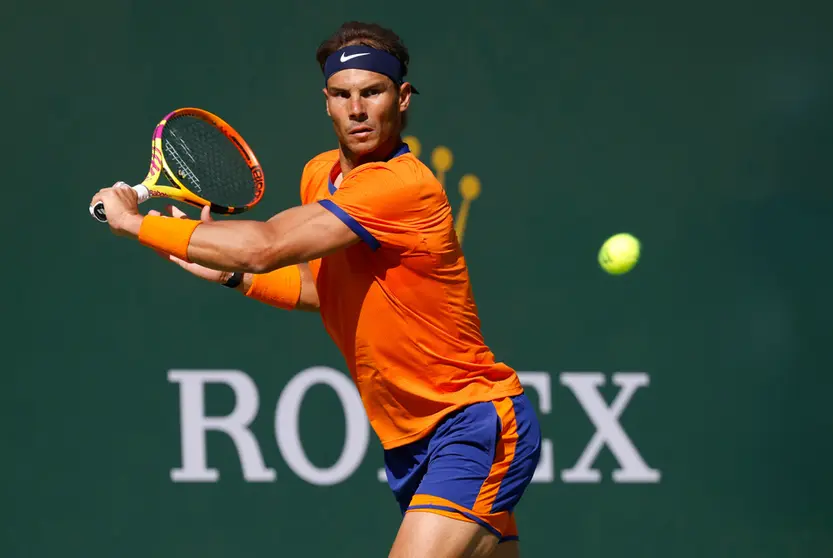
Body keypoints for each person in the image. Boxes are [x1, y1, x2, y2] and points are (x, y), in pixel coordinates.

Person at [91, 21, 541, 558]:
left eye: (372, 93)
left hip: (472, 424)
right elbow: (315, 286)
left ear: (400, 99)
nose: (357, 109)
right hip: (409, 441)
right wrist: (235, 275)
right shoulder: (319, 175)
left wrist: (136, 224)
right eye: (342, 95)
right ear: (325, 102)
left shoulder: (401, 186)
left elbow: (265, 244)